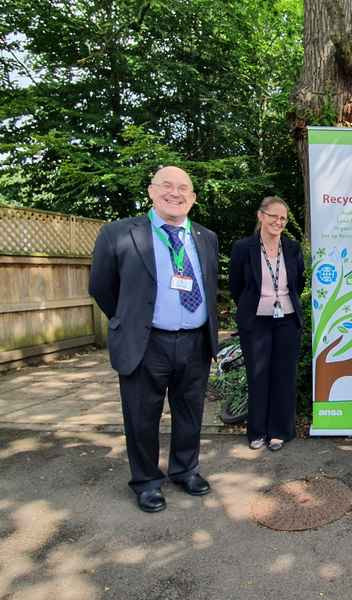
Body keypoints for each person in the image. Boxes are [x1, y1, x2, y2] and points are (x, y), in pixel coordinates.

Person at [89, 166, 219, 513]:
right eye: (167, 186)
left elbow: (210, 287)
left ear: (192, 198)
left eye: (184, 189)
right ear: (151, 191)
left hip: (195, 342)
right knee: (141, 417)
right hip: (146, 343)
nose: (175, 193)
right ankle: (146, 482)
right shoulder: (118, 233)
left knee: (190, 412)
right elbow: (102, 288)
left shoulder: (206, 237)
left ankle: (185, 470)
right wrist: (129, 321)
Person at [229, 196, 305, 452]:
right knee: (258, 376)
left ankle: (279, 432)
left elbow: (299, 282)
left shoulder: (292, 248)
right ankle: (257, 431)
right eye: (274, 216)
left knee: (284, 376)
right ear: (261, 216)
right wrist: (254, 306)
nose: (279, 222)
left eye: (283, 218)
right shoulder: (243, 247)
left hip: (287, 320)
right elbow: (236, 286)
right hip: (256, 321)